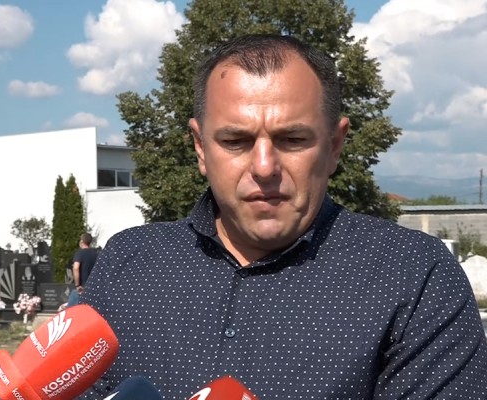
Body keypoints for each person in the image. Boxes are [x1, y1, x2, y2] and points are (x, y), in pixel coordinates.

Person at [78, 34, 487, 399]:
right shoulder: (127, 263)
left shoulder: (415, 275)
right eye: (235, 140)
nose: (264, 167)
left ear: (334, 145)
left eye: (292, 139)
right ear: (201, 147)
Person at [67, 233, 99, 307]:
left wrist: (77, 285)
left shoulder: (80, 253)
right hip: (94, 287)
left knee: (72, 310)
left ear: (81, 241)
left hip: (82, 288)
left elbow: (76, 268)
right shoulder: (96, 253)